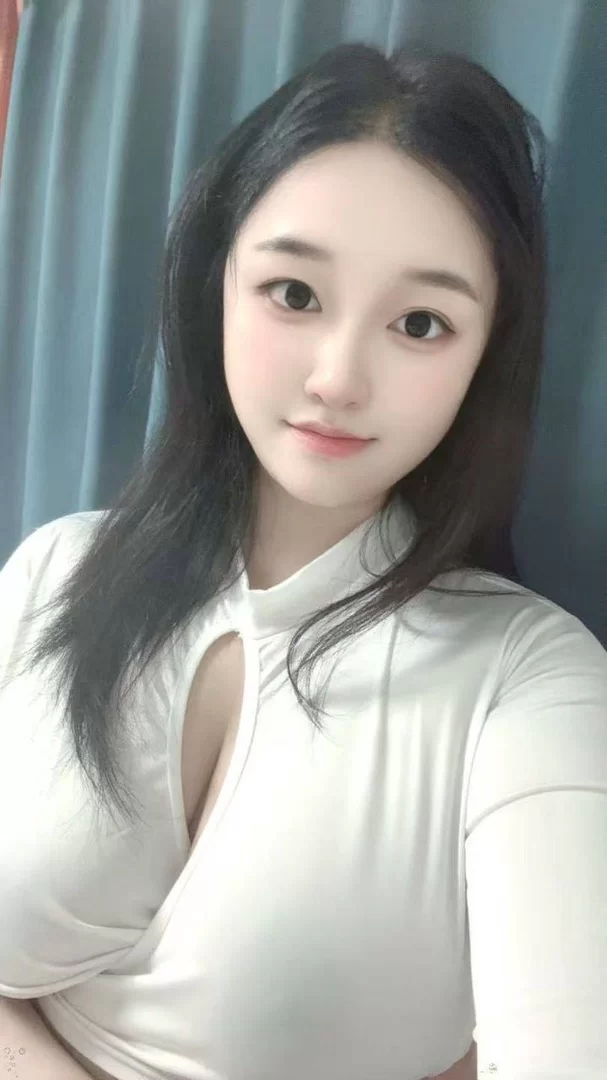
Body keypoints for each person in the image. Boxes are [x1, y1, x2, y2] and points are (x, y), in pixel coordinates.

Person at [0, 39, 605, 1080]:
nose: (337, 377)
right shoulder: (54, 570)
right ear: (217, 285)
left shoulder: (531, 682)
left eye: (419, 323)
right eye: (292, 294)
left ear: (485, 356)